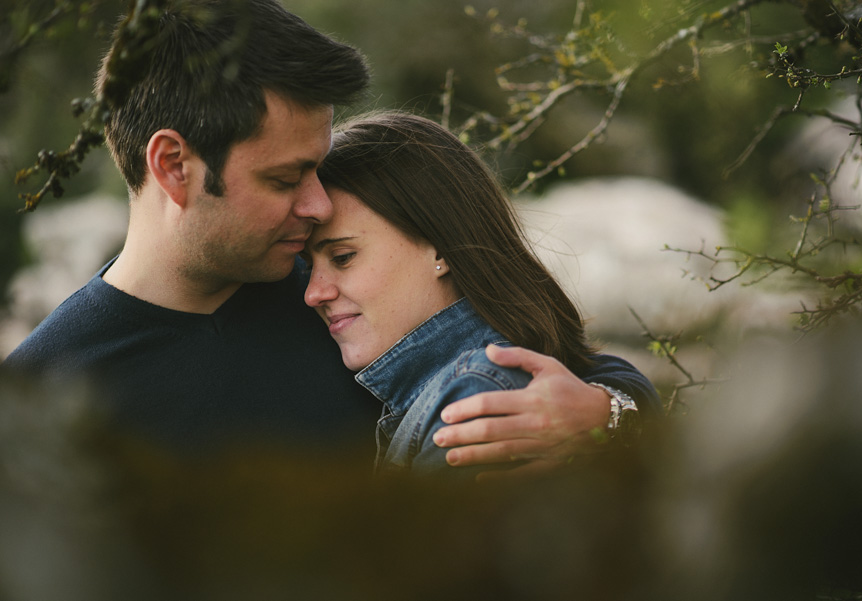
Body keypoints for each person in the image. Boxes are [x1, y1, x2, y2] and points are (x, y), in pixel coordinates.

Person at [2, 0, 659, 476]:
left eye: (318, 168)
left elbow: (574, 367)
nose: (316, 204)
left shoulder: (348, 297)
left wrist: (604, 416)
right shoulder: (39, 396)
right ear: (175, 166)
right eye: (287, 177)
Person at [305, 111, 651, 479]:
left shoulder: (475, 400)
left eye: (343, 257)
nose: (313, 292)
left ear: (439, 247)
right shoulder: (442, 384)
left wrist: (612, 409)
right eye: (307, 265)